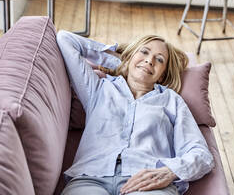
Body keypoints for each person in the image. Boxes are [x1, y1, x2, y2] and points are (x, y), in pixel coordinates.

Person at [56, 31, 214, 195]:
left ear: (162, 76)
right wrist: (121, 61)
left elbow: (201, 154)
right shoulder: (97, 88)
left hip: (148, 182)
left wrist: (170, 171)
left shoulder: (171, 101)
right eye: (144, 52)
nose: (149, 60)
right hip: (90, 177)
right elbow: (65, 39)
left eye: (159, 59)